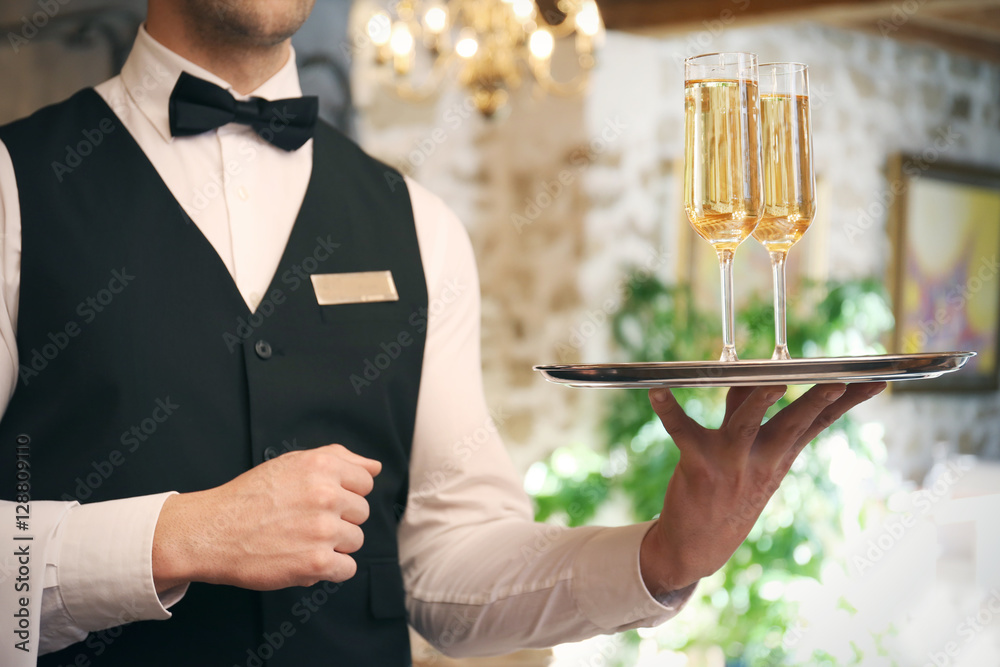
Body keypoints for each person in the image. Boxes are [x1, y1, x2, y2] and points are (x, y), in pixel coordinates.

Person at [0, 1, 886, 665]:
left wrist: (660, 555)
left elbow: (446, 571)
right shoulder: (13, 187)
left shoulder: (419, 224)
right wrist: (176, 537)